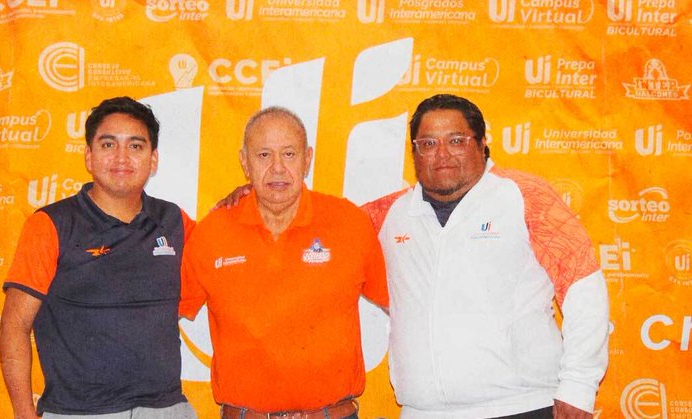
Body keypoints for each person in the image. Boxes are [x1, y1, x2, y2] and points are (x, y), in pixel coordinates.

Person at [363, 94, 609, 418]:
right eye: (428, 143)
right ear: (414, 153)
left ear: (481, 144)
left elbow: (583, 287)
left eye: (456, 140)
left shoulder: (525, 196)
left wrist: (578, 386)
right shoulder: (385, 215)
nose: (442, 154)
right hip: (421, 411)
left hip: (521, 406)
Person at [179, 107, 388, 419]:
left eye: (289, 154)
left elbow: (404, 304)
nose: (277, 168)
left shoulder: (349, 223)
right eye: (263, 155)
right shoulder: (212, 232)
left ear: (307, 159)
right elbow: (159, 313)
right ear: (244, 162)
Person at [0, 97, 197, 419]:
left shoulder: (174, 221)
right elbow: (14, 325)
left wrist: (244, 200)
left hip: (167, 409)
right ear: (89, 157)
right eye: (108, 145)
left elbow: (228, 250)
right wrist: (23, 412)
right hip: (79, 412)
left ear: (153, 160)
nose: (122, 157)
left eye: (135, 146)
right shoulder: (51, 224)